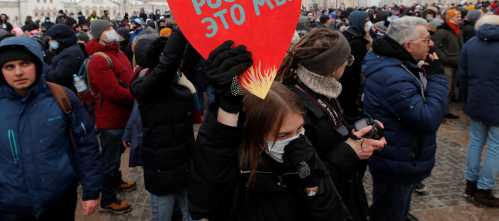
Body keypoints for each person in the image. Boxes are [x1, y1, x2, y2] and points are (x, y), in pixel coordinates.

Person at [189, 41, 350, 221]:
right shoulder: (237, 167)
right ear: (255, 134)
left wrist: (312, 177)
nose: (295, 139)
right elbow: (206, 195)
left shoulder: (302, 152)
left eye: (299, 128)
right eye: (283, 135)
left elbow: (333, 211)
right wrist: (228, 104)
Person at [277, 28, 386, 221]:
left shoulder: (325, 89)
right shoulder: (292, 105)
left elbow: (334, 127)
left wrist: (356, 131)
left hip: (345, 191)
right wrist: (348, 152)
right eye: (347, 60)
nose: (348, 65)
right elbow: (300, 177)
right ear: (333, 67)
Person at [0, 36, 100, 220]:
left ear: (37, 64)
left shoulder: (61, 97)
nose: (19, 72)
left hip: (58, 201)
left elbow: (85, 144)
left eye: (25, 63)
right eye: (9, 67)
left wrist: (91, 190)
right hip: (10, 206)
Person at [363, 17, 448, 221]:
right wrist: (437, 77)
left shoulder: (398, 64)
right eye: (426, 40)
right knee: (390, 209)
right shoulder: (393, 75)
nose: (431, 44)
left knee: (396, 204)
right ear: (408, 45)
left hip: (402, 156)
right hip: (397, 161)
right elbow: (426, 118)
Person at [131, 30, 196, 221]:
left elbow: (188, 59)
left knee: (190, 213)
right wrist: (183, 29)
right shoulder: (143, 85)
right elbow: (166, 67)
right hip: (162, 169)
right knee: (163, 216)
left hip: (184, 163)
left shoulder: (178, 78)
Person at [86, 19, 135, 214]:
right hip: (110, 118)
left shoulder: (117, 51)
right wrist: (136, 94)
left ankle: (116, 181)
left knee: (117, 154)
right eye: (108, 29)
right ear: (100, 34)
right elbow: (112, 91)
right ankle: (107, 199)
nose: (112, 31)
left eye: (111, 28)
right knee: (110, 159)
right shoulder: (99, 59)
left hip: (123, 114)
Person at [459, 14, 499, 207]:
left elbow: (463, 76)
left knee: (475, 142)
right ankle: (484, 188)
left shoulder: (470, 44)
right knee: (495, 147)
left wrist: (466, 100)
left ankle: (470, 183)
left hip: (476, 101)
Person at [339, 10, 372, 123]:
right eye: (365, 21)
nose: (368, 23)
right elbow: (360, 64)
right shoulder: (356, 41)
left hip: (348, 79)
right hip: (351, 80)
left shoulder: (349, 34)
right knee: (350, 104)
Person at [432, 8, 463, 119]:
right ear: (450, 18)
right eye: (457, 16)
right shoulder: (442, 31)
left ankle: (445, 111)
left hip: (455, 63)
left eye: (460, 16)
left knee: (451, 90)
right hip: (446, 65)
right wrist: (445, 59)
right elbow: (435, 47)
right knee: (446, 89)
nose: (460, 18)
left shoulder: (457, 30)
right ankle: (440, 112)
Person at [45, 24, 85, 91]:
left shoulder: (71, 54)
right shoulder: (67, 49)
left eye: (51, 39)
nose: (50, 42)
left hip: (67, 92)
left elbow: (57, 77)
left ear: (60, 38)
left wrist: (43, 67)